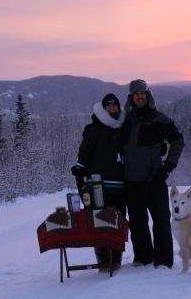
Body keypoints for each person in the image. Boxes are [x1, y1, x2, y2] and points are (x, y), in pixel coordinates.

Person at [122, 79, 185, 269]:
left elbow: (178, 140)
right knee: (137, 224)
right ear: (131, 98)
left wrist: (168, 167)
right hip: (131, 182)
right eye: (136, 94)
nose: (139, 96)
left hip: (154, 180)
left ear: (147, 95)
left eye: (142, 93)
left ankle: (164, 261)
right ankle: (143, 258)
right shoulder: (126, 121)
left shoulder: (159, 119)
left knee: (161, 222)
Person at [71, 93, 126, 271]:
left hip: (120, 186)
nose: (112, 108)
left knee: (117, 223)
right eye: (108, 106)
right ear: (103, 108)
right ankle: (103, 261)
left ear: (119, 107)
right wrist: (80, 167)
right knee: (99, 222)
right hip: (98, 186)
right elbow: (85, 151)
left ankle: (116, 260)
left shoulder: (124, 127)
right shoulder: (94, 129)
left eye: (115, 105)